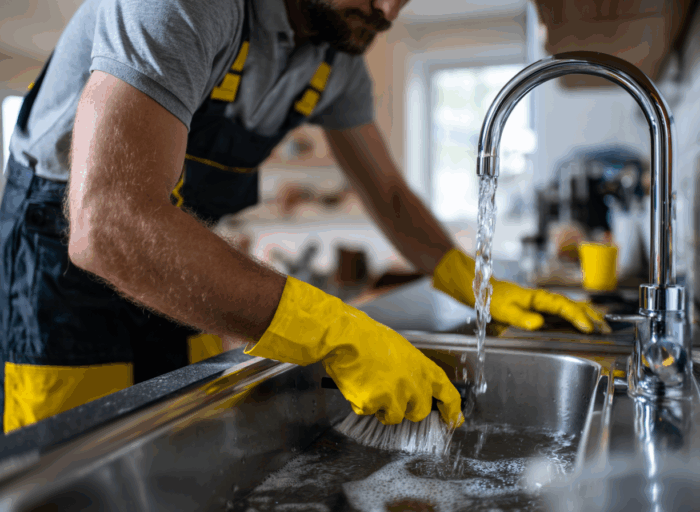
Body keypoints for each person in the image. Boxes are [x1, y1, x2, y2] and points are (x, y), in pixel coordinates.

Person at [0, 0, 610, 433]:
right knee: (84, 463)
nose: (389, 10)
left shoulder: (337, 61)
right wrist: (333, 332)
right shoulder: (183, 6)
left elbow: (391, 198)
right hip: (58, 273)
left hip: (177, 260)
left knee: (187, 446)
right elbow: (109, 222)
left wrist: (474, 282)